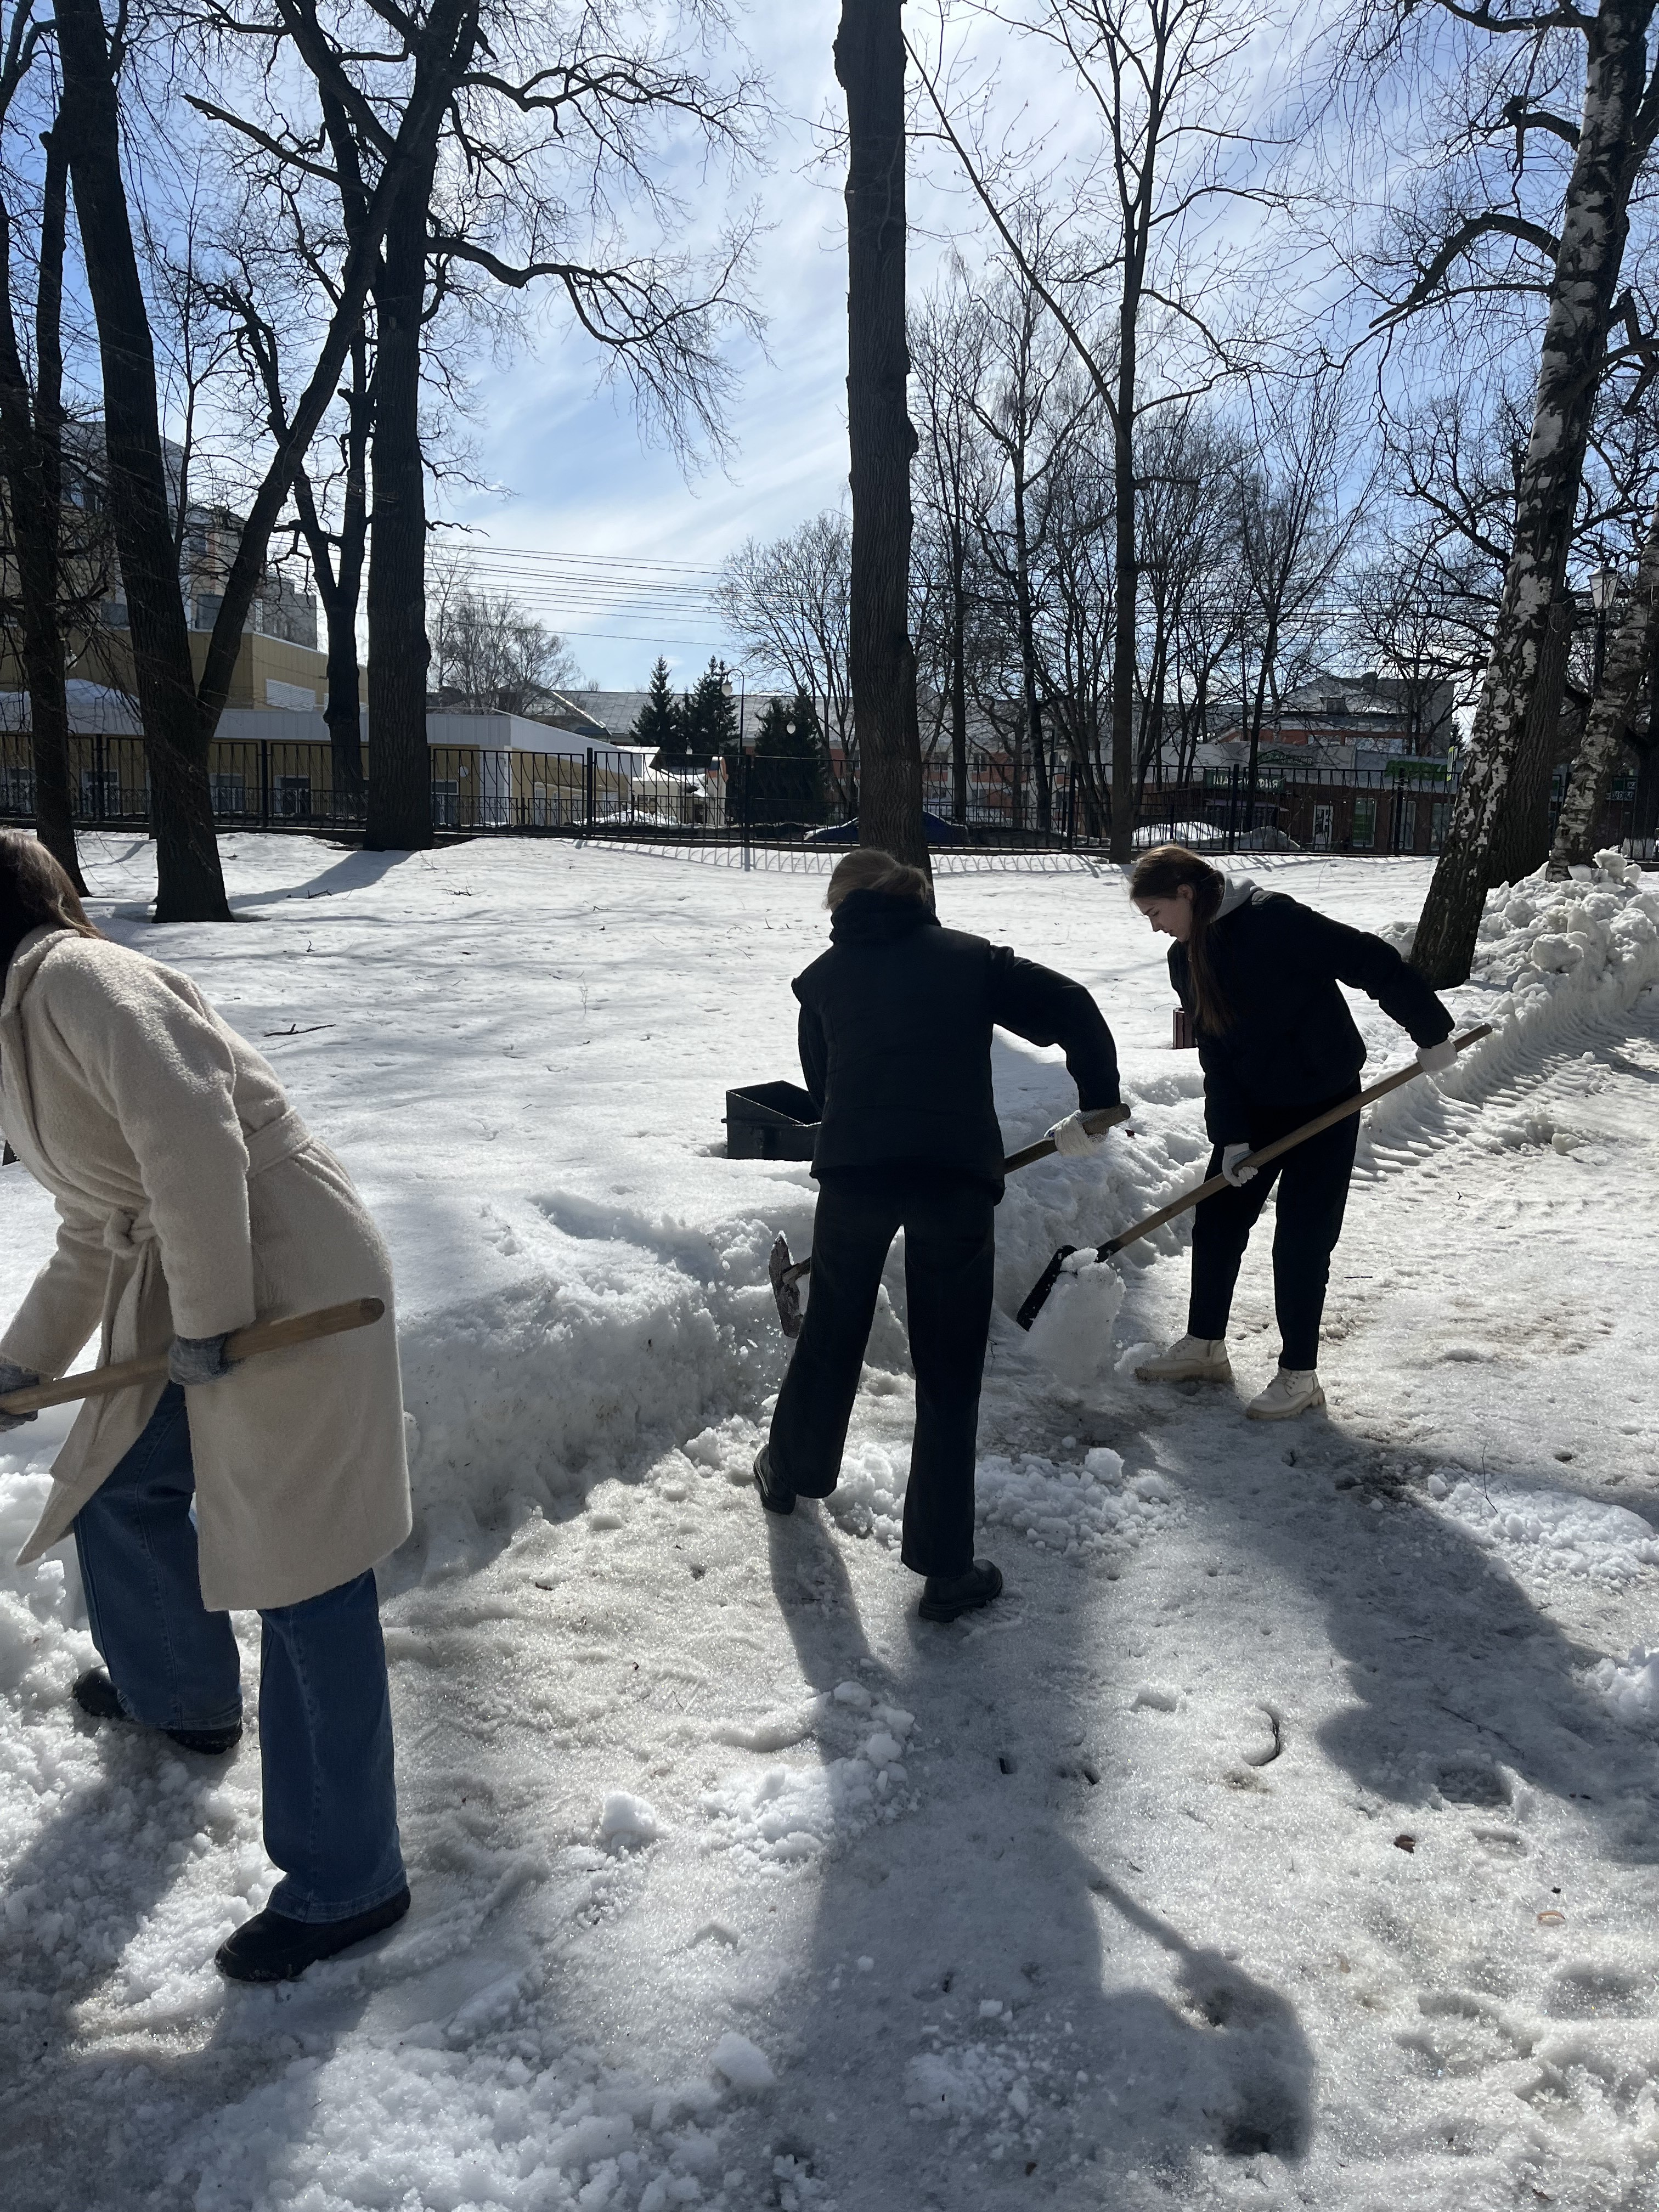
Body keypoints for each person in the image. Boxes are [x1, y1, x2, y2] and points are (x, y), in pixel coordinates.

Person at [0, 833, 413, 1982]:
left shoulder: (82, 977)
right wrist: (21, 1369)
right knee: (121, 1485)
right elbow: (98, 1225)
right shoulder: (16, 1029)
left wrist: (211, 1319)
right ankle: (180, 1693)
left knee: (306, 1574)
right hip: (193, 1281)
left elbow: (194, 1137)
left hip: (290, 1276)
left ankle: (352, 1877)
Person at [753, 847, 1122, 1620]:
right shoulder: (969, 961)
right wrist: (1097, 1101)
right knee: (949, 1369)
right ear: (913, 898)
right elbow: (1074, 1007)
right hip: (953, 1179)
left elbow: (826, 1087)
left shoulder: (822, 981)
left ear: (844, 908)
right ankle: (945, 1569)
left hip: (855, 1173)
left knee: (832, 1331)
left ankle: (789, 1472)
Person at [1127, 843, 1457, 1419]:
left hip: (1322, 1099)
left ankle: (1300, 1376)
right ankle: (1205, 1345)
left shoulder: (1273, 920)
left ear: (1185, 894)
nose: (1155, 928)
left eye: (1155, 912)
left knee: (1303, 1239)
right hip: (1254, 1108)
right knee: (1220, 1222)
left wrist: (1430, 1030)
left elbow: (1368, 960)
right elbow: (1216, 1052)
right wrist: (1230, 1136)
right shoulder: (1186, 959)